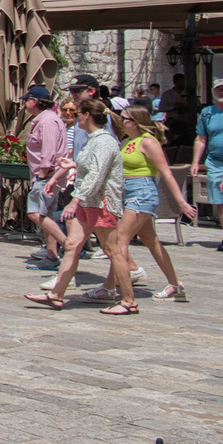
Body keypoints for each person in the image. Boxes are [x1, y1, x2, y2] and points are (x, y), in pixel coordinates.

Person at [26, 98, 134, 313]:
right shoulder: (94, 139)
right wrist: (72, 165)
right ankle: (57, 294)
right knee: (72, 246)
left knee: (113, 251)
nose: (75, 118)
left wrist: (74, 201)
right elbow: (91, 167)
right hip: (88, 202)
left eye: (78, 114)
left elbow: (98, 174)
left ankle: (129, 301)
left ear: (86, 116)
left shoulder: (104, 141)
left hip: (100, 203)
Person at [88, 106, 197, 301]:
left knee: (120, 240)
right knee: (150, 240)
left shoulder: (148, 142)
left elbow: (166, 172)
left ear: (136, 122)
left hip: (142, 193)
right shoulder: (127, 141)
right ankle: (176, 284)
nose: (120, 122)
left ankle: (109, 287)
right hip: (127, 193)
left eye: (125, 119)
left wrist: (181, 202)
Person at [22, 86, 69, 269]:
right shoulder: (44, 120)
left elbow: (48, 152)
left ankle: (69, 246)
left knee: (35, 213)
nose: (24, 104)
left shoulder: (47, 122)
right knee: (46, 215)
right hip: (49, 176)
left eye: (26, 100)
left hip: (47, 177)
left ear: (34, 101)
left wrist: (42, 176)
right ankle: (51, 256)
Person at [192, 78, 223, 253]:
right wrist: (195, 162)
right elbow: (201, 138)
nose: (222, 92)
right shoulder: (206, 113)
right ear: (213, 92)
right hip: (216, 161)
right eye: (219, 89)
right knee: (221, 202)